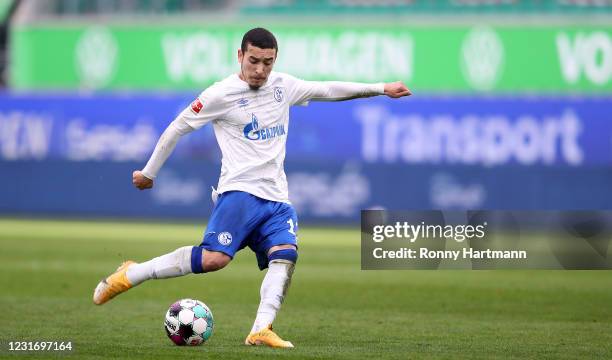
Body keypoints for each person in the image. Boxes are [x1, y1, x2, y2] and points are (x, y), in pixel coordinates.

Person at [92, 27, 411, 348]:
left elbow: (327, 89)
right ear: (240, 56)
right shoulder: (219, 94)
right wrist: (149, 173)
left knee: (285, 255)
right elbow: (177, 128)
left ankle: (261, 328)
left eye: (267, 63)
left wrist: (381, 88)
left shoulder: (283, 86)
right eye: (254, 61)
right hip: (239, 192)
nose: (260, 70)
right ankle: (132, 273)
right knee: (214, 260)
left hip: (277, 199)